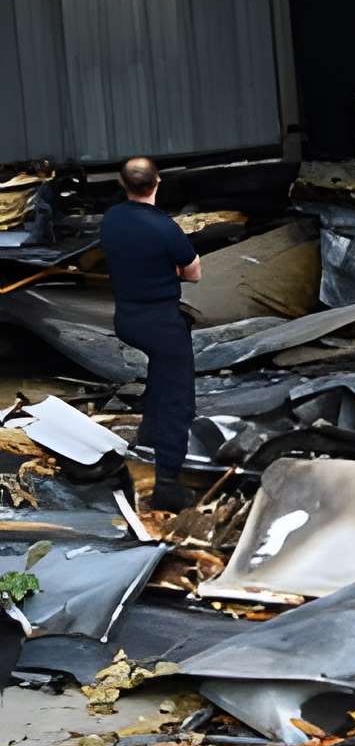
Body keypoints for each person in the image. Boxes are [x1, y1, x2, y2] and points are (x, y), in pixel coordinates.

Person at [99, 156, 201, 511]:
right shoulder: (164, 227)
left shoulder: (111, 220)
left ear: (123, 184)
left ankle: (146, 442)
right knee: (179, 400)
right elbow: (194, 273)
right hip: (161, 322)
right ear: (157, 182)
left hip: (127, 319)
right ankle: (168, 485)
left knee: (161, 375)